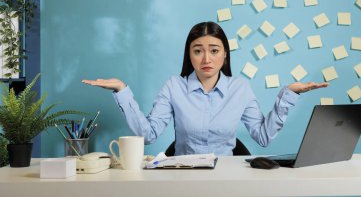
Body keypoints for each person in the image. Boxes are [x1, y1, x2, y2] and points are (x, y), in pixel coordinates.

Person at [82, 21, 328, 156]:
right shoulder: (173, 86)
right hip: (182, 178)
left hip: (227, 179)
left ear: (225, 55)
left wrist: (289, 94)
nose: (206, 59)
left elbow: (262, 137)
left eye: (214, 50)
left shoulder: (240, 88)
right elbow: (148, 136)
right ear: (189, 55)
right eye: (198, 50)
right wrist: (122, 91)